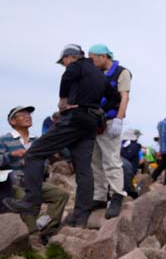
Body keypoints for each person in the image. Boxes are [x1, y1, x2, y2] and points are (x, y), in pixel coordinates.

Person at [4, 44, 106, 228]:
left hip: (75, 118)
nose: (64, 65)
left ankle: (31, 202)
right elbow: (113, 96)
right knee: (84, 169)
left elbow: (67, 76)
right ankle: (81, 216)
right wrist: (94, 108)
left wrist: (63, 99)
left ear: (70, 57)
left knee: (34, 154)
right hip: (91, 123)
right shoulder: (99, 73)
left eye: (64, 61)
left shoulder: (77, 64)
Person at [0, 106, 69, 245]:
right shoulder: (4, 140)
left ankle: (46, 231)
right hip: (13, 182)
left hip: (35, 181)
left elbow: (48, 161)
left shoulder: (38, 140)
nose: (28, 116)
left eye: (29, 114)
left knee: (61, 195)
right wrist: (11, 155)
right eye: (22, 114)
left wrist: (39, 164)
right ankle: (33, 235)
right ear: (12, 121)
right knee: (25, 197)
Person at [87, 43, 130, 219]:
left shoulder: (122, 72)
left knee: (111, 158)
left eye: (93, 58)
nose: (91, 62)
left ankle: (117, 194)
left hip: (111, 120)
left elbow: (124, 96)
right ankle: (99, 196)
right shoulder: (94, 74)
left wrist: (119, 119)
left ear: (103, 56)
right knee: (95, 159)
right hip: (95, 121)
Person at [120, 129, 143, 198]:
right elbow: (128, 156)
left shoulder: (123, 145)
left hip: (126, 168)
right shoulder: (135, 145)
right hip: (129, 169)